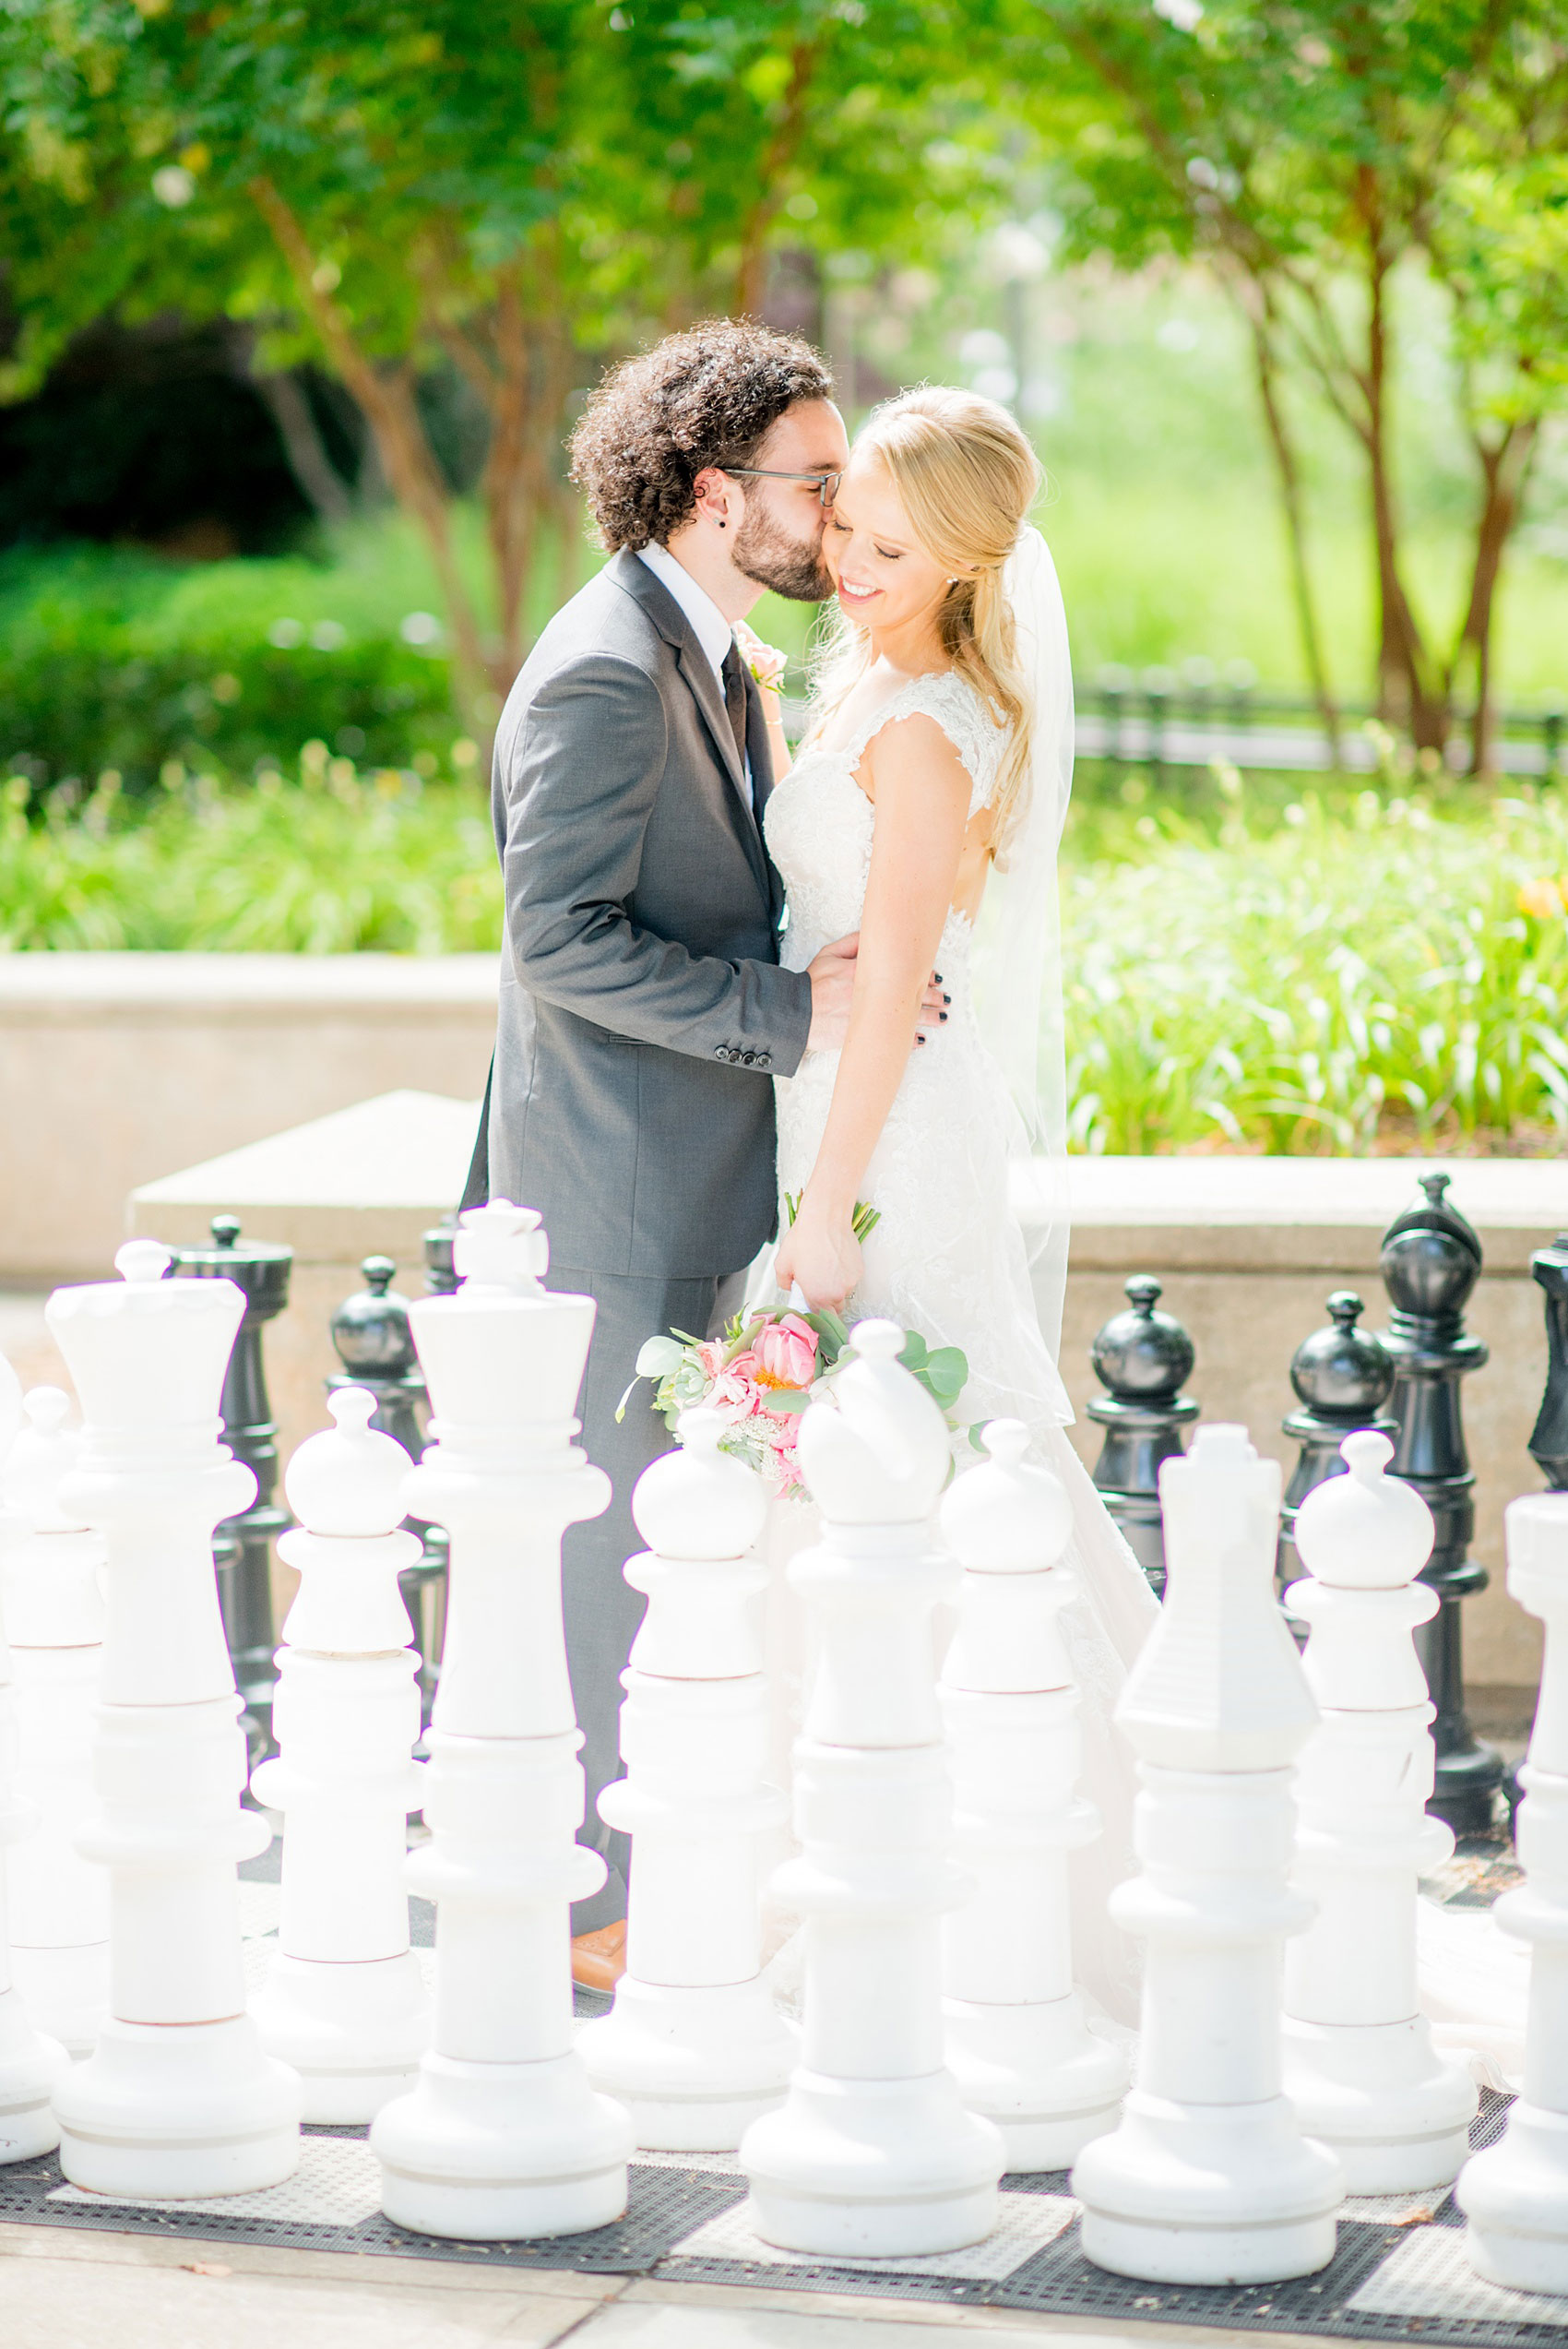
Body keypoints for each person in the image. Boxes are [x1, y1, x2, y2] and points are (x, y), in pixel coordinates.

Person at [469, 322, 946, 1990]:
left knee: (653, 1535)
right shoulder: (610, 666)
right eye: (813, 488)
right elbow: (558, 940)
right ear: (702, 488)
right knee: (604, 1543)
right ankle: (583, 1911)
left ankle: (634, 1867)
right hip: (607, 1184)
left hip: (682, 1167)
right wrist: (786, 1015)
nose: (833, 519)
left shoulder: (708, 650)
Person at [762, 385, 1159, 2018]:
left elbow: (901, 987)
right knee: (888, 1492)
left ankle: (1037, 1882)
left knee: (946, 1485)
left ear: (969, 560)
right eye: (844, 523)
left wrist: (824, 1221)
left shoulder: (928, 730)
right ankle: (870, 1844)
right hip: (838, 1107)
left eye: (886, 544)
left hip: (887, 1143)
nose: (844, 558)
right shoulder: (882, 681)